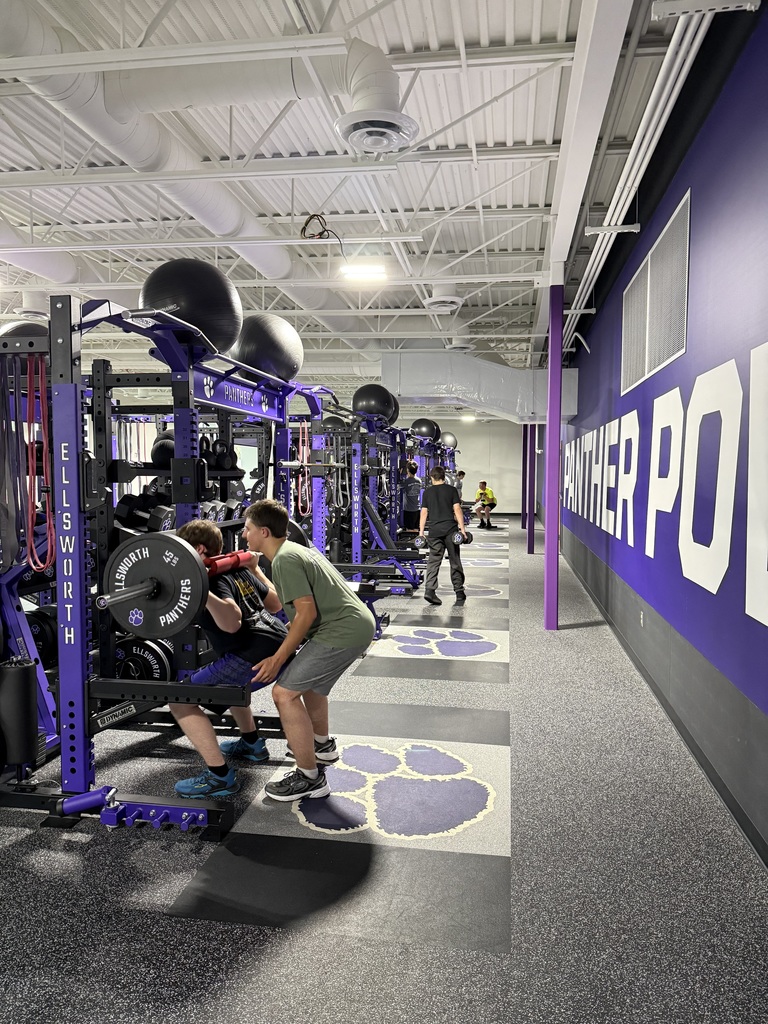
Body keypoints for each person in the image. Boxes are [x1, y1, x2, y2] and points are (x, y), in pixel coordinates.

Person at [243, 499, 376, 802]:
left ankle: (310, 778)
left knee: (284, 693)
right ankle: (322, 746)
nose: (243, 535)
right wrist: (256, 571)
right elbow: (285, 601)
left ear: (263, 532)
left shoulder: (285, 560)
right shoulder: (292, 551)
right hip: (354, 625)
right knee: (312, 685)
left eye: (247, 529)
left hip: (342, 630)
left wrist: (278, 659)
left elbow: (305, 613)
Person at [170, 519, 287, 798]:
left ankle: (219, 777)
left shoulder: (211, 577)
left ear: (198, 550)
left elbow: (232, 621)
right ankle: (251, 744)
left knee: (180, 700)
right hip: (275, 642)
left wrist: (202, 590)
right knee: (230, 684)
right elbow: (275, 604)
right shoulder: (236, 568)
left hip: (254, 653)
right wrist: (256, 570)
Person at [418, 465, 467, 606]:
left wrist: (421, 533)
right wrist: (462, 530)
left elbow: (424, 513)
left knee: (433, 561)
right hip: (450, 531)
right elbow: (457, 510)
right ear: (444, 477)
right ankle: (459, 592)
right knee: (455, 560)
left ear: (432, 478)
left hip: (434, 532)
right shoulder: (451, 490)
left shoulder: (427, 492)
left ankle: (430, 591)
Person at [400, 460, 422, 532]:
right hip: (417, 508)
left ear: (408, 470)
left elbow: (398, 486)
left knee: (409, 531)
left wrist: (399, 473)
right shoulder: (419, 481)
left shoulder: (406, 481)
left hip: (408, 510)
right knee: (415, 530)